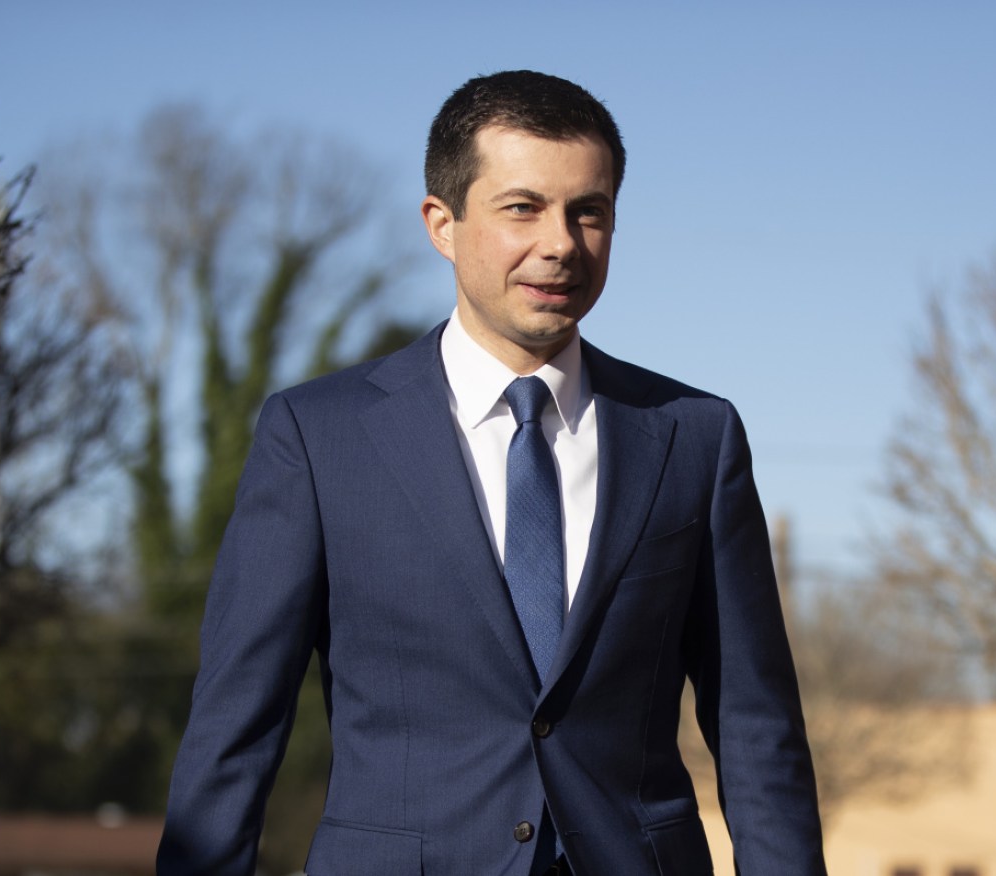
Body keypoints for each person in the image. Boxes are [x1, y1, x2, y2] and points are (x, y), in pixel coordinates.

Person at [157, 70, 826, 876]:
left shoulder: (693, 436)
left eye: (590, 212)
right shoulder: (317, 435)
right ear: (442, 223)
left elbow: (754, 727)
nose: (560, 243)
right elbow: (237, 726)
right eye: (522, 208)